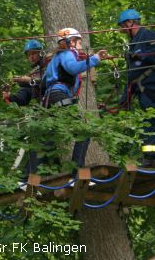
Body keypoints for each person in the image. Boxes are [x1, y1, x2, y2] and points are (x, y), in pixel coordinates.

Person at [41, 28, 107, 170]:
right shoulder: (67, 54)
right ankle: (77, 171)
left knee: (47, 137)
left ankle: (28, 175)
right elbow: (72, 68)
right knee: (83, 131)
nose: (80, 46)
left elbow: (44, 81)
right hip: (58, 95)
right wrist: (95, 59)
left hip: (50, 97)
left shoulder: (56, 57)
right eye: (79, 42)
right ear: (71, 42)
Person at [117, 9, 155, 167]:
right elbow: (132, 74)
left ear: (130, 22)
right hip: (143, 87)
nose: (122, 30)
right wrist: (124, 100)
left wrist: (139, 54)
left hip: (154, 84)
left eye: (123, 25)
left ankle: (150, 157)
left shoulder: (148, 35)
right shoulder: (132, 43)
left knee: (153, 120)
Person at [3, 39, 47, 106]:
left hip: (53, 103)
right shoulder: (33, 74)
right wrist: (9, 96)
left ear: (41, 53)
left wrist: (29, 80)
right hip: (42, 109)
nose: (31, 57)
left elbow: (48, 83)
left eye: (34, 53)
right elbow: (22, 100)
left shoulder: (49, 66)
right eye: (29, 55)